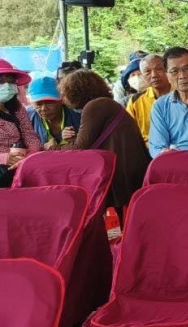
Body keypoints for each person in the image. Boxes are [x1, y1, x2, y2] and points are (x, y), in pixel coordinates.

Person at [57, 68, 150, 212]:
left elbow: (80, 147)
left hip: (121, 172)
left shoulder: (95, 106)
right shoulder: (105, 104)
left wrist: (51, 148)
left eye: (64, 92)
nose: (62, 97)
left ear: (76, 90)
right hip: (129, 168)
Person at [0, 59, 41, 186]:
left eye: (11, 81)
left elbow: (30, 135)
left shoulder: (17, 109)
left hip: (21, 164)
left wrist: (29, 156)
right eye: (1, 81)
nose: (7, 85)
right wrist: (4, 158)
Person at [125, 54, 171, 143]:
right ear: (142, 75)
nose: (154, 75)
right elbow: (128, 132)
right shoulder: (135, 101)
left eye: (159, 69)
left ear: (167, 70)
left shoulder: (182, 94)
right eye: (147, 71)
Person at [27, 75, 80, 149]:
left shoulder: (78, 116)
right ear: (31, 103)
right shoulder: (27, 117)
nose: (43, 108)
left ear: (62, 100)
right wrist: (42, 148)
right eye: (38, 104)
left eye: (49, 102)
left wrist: (78, 140)